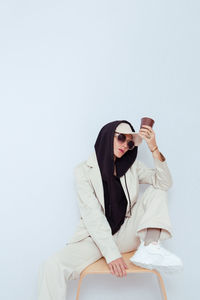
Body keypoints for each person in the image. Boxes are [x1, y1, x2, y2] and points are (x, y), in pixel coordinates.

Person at [37, 120, 183, 300]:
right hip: (95, 239)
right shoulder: (83, 171)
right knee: (52, 266)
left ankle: (150, 248)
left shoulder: (132, 167)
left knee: (157, 190)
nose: (125, 145)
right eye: (121, 138)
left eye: (130, 143)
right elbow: (92, 215)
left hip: (126, 234)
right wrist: (112, 254)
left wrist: (154, 149)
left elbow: (164, 183)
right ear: (107, 137)